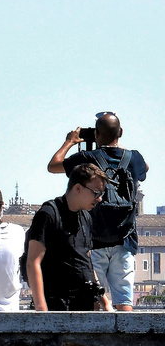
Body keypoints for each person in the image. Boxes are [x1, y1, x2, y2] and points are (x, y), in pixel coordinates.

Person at [47, 112, 147, 311]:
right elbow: (145, 169)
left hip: (92, 240)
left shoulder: (87, 159)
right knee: (124, 301)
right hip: (125, 239)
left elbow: (53, 166)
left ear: (96, 134)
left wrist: (69, 142)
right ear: (121, 132)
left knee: (91, 298)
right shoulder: (134, 158)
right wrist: (120, 146)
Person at [25, 162, 112, 312]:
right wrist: (41, 308)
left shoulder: (86, 217)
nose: (99, 199)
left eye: (101, 194)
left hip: (85, 303)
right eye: (96, 193)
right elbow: (33, 262)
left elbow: (86, 261)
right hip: (57, 303)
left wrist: (105, 301)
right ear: (78, 188)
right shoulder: (48, 214)